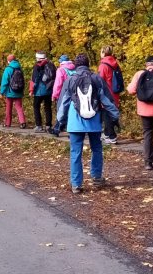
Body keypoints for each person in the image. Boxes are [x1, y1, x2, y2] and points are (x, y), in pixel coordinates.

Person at [56, 53, 120, 194]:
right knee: (96, 149)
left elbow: (64, 102)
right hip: (94, 121)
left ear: (76, 65)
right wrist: (115, 116)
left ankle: (76, 184)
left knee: (75, 152)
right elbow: (107, 100)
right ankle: (96, 178)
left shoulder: (70, 80)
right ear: (88, 63)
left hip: (75, 122)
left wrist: (59, 121)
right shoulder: (96, 79)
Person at [97, 45, 123, 144]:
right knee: (111, 112)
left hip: (106, 93)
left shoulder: (103, 65)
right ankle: (107, 133)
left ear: (103, 53)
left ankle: (111, 136)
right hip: (115, 92)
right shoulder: (115, 63)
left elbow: (100, 80)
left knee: (106, 114)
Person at [29, 51, 56, 132]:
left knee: (36, 106)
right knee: (48, 108)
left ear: (38, 57)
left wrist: (31, 90)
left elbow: (35, 79)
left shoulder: (37, 66)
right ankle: (48, 126)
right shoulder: (51, 64)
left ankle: (39, 126)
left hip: (39, 90)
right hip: (49, 89)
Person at [49, 54, 75, 135]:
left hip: (64, 93)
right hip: (75, 93)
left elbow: (58, 84)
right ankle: (70, 130)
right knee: (72, 111)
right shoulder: (75, 68)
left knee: (62, 111)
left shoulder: (61, 70)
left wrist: (54, 95)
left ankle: (57, 129)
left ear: (61, 62)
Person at [0, 54, 26, 129]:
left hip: (10, 91)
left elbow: (4, 82)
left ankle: (8, 123)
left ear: (9, 61)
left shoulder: (8, 69)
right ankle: (22, 122)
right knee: (19, 107)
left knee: (8, 107)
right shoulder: (19, 68)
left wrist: (2, 92)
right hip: (19, 91)